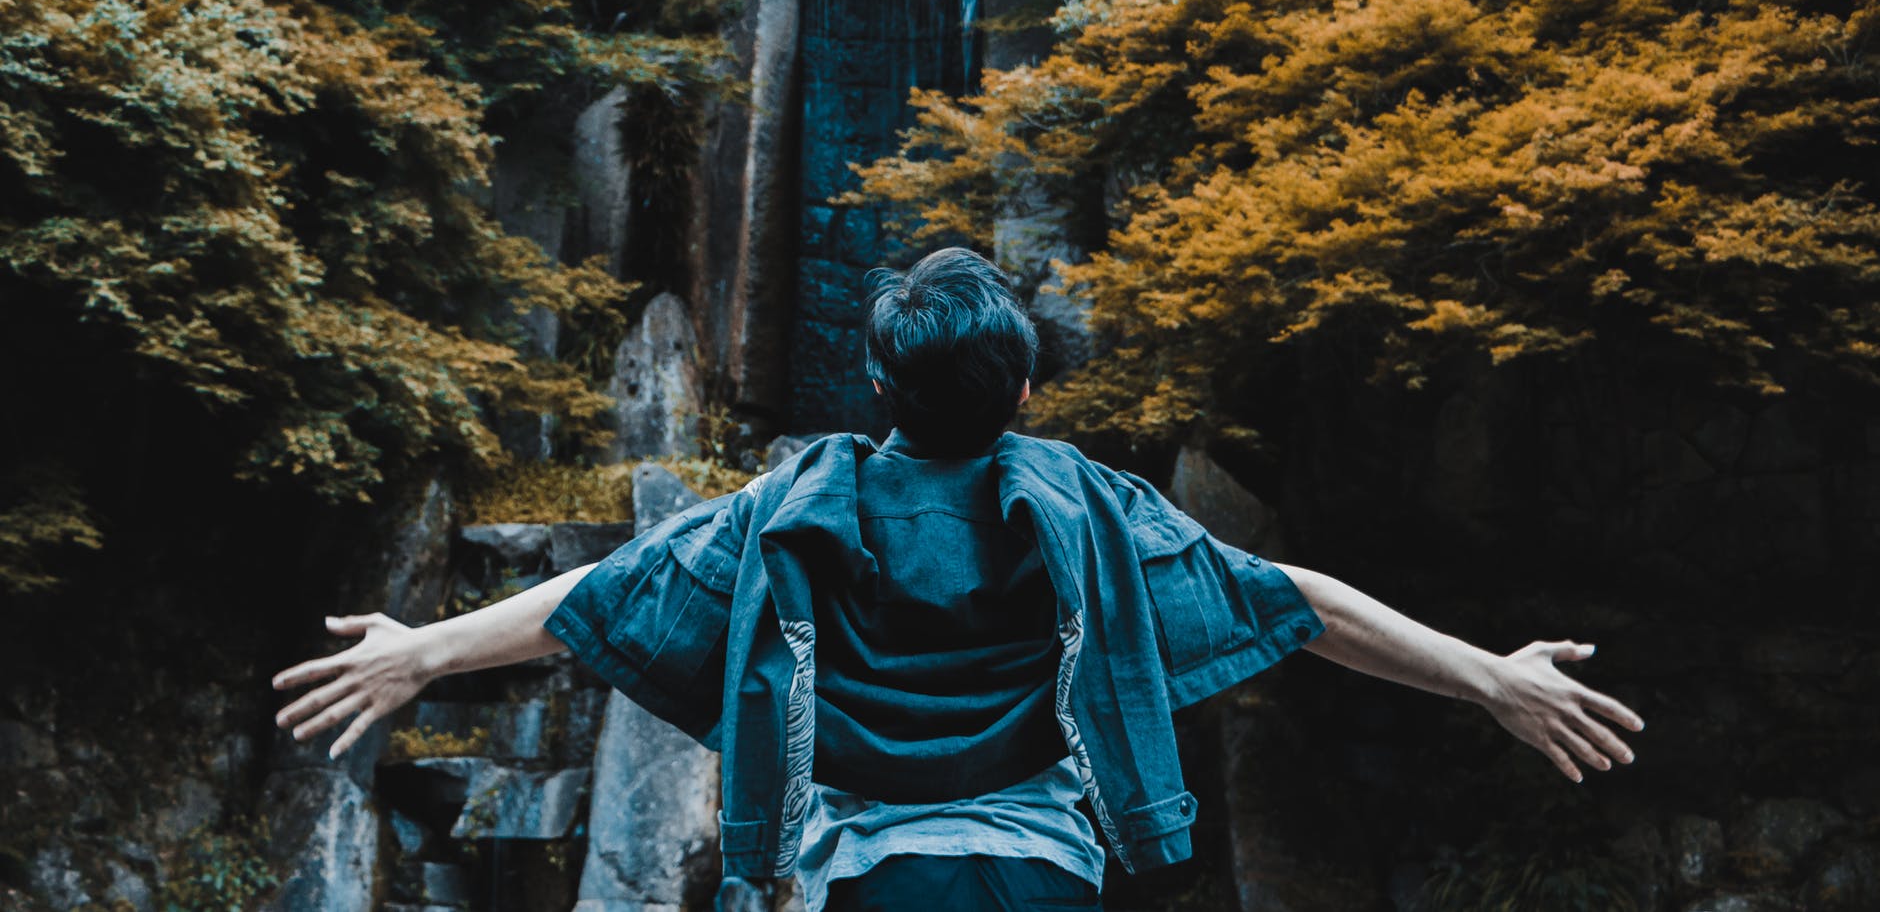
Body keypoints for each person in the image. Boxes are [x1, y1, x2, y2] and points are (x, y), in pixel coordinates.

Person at [274, 246, 1644, 911]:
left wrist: (422, 653)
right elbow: (1298, 604)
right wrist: (1490, 678)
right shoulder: (1092, 508)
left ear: (873, 384)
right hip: (1042, 876)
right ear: (1031, 386)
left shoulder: (796, 503)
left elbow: (599, 601)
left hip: (863, 881)